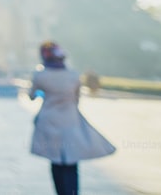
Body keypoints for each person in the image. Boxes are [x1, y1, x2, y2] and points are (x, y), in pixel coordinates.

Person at [30, 41, 115, 195]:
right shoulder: (73, 75)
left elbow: (31, 96)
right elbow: (76, 99)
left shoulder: (40, 75)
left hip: (49, 120)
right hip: (70, 120)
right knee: (71, 161)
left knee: (56, 161)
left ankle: (60, 192)